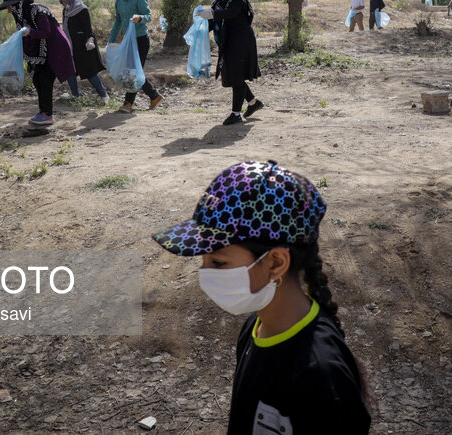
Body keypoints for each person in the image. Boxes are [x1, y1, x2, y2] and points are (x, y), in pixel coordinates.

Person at [151, 160, 371, 434]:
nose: (204, 273)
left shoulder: (322, 376)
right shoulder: (255, 328)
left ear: (276, 263)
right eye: (203, 260)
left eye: (218, 262)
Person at [0, 0, 75, 126]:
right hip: (44, 52)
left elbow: (46, 32)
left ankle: (47, 115)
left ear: (17, 5)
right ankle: (43, 112)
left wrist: (29, 32)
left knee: (44, 79)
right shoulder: (23, 16)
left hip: (56, 48)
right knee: (37, 79)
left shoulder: (36, 10)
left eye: (9, 7)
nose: (8, 11)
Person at [195, 0, 264, 126]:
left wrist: (212, 13)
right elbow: (215, 20)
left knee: (237, 75)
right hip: (228, 40)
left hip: (241, 39)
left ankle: (236, 113)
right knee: (234, 74)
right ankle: (253, 103)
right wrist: (199, 30)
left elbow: (232, 13)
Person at [109, 0, 163, 113]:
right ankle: (154, 96)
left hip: (140, 41)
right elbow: (118, 22)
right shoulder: (118, 1)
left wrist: (140, 18)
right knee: (133, 72)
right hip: (128, 42)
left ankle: (128, 103)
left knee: (132, 72)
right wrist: (111, 41)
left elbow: (149, 16)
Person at [56, 0, 109, 105]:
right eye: (60, 1)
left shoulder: (82, 10)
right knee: (70, 71)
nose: (61, 3)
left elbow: (88, 29)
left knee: (89, 72)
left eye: (62, 0)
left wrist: (89, 41)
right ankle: (75, 96)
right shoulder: (66, 11)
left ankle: (104, 95)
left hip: (84, 46)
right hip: (71, 47)